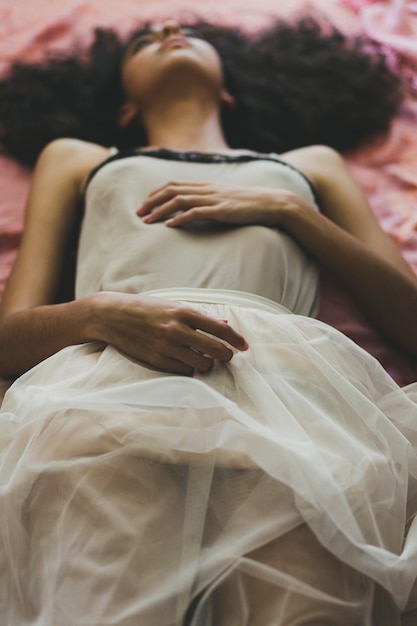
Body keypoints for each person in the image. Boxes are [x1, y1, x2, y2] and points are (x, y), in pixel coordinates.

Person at [0, 17, 417, 626]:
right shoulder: (79, 160)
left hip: (292, 390)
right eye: (145, 39)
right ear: (125, 108)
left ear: (229, 93)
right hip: (112, 381)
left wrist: (290, 211)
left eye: (183, 29)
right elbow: (8, 339)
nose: (169, 27)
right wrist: (100, 313)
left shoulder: (308, 168)